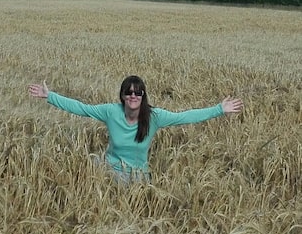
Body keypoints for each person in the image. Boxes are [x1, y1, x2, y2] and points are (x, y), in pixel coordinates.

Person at [28, 75, 243, 182]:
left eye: (138, 92)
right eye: (129, 92)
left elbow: (184, 117)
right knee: (79, 176)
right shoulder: (111, 111)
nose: (133, 96)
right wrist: (50, 96)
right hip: (108, 170)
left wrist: (219, 109)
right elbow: (82, 108)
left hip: (137, 177)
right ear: (122, 96)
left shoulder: (154, 117)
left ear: (143, 96)